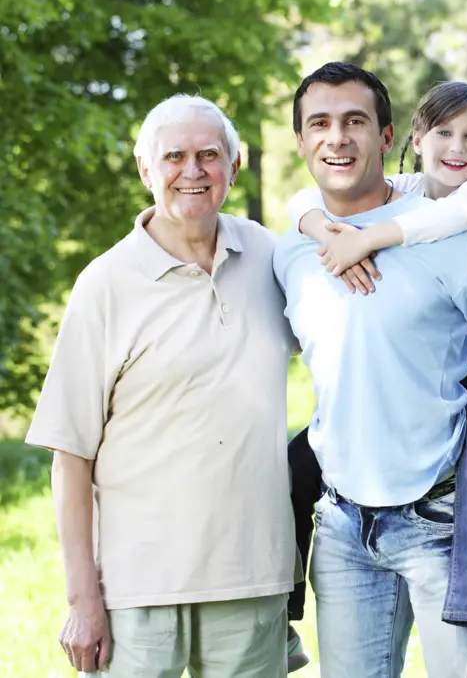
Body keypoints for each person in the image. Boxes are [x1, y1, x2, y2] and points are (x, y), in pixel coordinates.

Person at [274, 62, 467, 678]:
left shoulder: (456, 234)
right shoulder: (290, 248)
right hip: (339, 526)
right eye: (320, 123)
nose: (336, 138)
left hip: (439, 524)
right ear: (301, 141)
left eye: (355, 122)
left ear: (389, 136)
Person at [26, 95, 296, 677]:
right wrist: (82, 602)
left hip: (251, 579)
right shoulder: (104, 284)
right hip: (136, 592)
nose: (193, 171)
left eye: (209, 155)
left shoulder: (272, 258)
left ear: (235, 165)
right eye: (174, 156)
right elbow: (70, 456)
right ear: (147, 170)